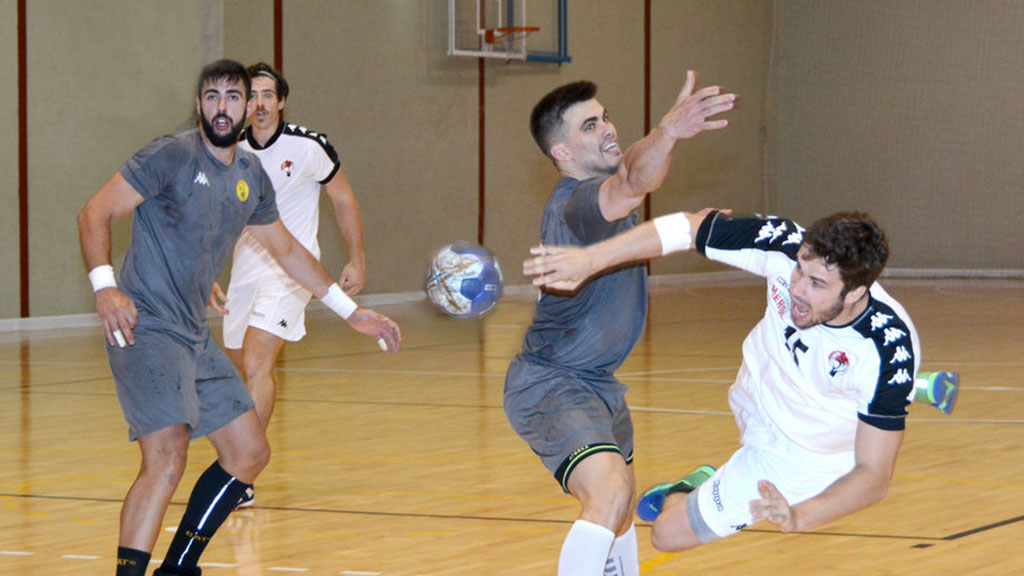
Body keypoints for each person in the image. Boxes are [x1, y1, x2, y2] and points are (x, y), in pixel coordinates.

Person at [77, 59, 401, 576]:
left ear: (250, 106)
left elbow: (289, 252)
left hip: (192, 333)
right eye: (212, 96)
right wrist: (106, 288)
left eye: (233, 96)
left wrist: (349, 310)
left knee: (248, 452)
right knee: (167, 456)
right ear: (200, 104)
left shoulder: (250, 175)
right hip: (147, 324)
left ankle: (178, 567)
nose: (222, 106)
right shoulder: (171, 154)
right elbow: (95, 212)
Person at [522, 208, 959, 554]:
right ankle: (914, 392)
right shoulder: (786, 246)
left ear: (857, 292)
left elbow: (873, 475)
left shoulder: (887, 349)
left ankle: (695, 481)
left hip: (803, 456)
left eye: (818, 285)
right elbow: (687, 228)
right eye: (800, 273)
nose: (799, 291)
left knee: (666, 535)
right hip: (756, 387)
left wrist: (799, 516)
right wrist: (590, 259)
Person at [503, 72, 736, 576]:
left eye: (605, 116)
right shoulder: (578, 202)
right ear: (561, 152)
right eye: (590, 125)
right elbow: (635, 178)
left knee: (622, 506)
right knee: (608, 495)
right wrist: (669, 132)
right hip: (553, 382)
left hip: (596, 382)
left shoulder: (603, 198)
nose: (608, 128)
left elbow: (634, 175)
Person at [209, 62, 364, 463]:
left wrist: (357, 257)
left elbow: (343, 199)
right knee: (240, 371)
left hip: (292, 274)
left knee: (259, 362)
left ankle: (242, 470)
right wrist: (206, 272)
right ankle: (239, 454)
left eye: (266, 95)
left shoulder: (309, 146)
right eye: (251, 95)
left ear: (281, 102)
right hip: (245, 273)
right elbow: (215, 216)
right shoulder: (231, 149)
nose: (259, 103)